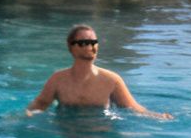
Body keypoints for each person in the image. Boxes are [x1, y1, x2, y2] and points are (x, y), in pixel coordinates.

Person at [27, 24, 170, 118]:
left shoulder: (111, 80)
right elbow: (40, 105)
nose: (91, 46)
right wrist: (18, 119)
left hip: (99, 132)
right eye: (84, 43)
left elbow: (133, 108)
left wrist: (158, 116)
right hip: (66, 130)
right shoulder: (58, 79)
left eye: (94, 42)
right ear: (71, 47)